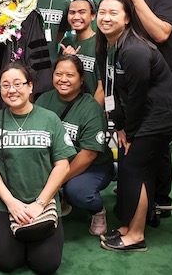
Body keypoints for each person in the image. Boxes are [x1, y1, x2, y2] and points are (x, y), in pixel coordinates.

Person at [95, 0, 172, 252]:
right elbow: (111, 90)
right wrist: (120, 125)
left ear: (127, 18)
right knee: (131, 167)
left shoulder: (134, 48)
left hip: (157, 117)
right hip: (141, 116)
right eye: (102, 12)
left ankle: (136, 235)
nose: (106, 18)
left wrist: (130, 133)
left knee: (136, 168)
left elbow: (136, 96)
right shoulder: (108, 45)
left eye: (114, 13)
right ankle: (129, 225)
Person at [0, 62, 74, 274]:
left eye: (18, 84)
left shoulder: (49, 119)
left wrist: (40, 203)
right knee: (7, 262)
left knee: (46, 265)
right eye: (5, 85)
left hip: (43, 202)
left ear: (30, 87)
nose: (12, 90)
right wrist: (11, 203)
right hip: (5, 204)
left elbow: (62, 165)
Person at [121, 0, 172, 219]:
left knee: (158, 149)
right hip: (133, 85)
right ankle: (135, 197)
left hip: (159, 89)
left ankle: (159, 201)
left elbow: (161, 34)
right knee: (134, 148)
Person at [35, 54, 113, 236]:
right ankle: (61, 196)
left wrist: (55, 182)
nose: (63, 79)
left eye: (70, 75)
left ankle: (98, 211)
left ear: (81, 79)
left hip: (92, 166)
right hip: (56, 163)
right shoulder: (44, 100)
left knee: (77, 191)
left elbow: (88, 155)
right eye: (58, 74)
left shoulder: (91, 108)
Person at [59, 0, 104, 105]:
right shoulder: (66, 42)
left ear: (93, 16)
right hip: (68, 107)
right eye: (72, 12)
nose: (76, 17)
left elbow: (102, 88)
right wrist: (67, 60)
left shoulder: (100, 44)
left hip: (90, 109)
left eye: (82, 12)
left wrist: (92, 112)